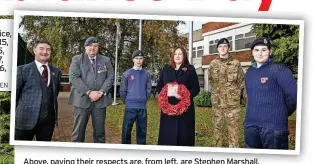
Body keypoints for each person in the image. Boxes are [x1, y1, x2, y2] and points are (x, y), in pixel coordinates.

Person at [244, 37, 297, 149]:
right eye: (256, 50)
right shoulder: (249, 71)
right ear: (252, 52)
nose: (260, 53)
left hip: (274, 128)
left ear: (270, 51)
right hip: (251, 126)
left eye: (264, 50)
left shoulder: (279, 70)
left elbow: (294, 97)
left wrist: (281, 111)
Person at [69, 37, 114, 143]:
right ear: (85, 47)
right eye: (90, 46)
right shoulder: (77, 59)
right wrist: (89, 92)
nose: (92, 48)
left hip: (100, 101)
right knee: (78, 135)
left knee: (100, 134)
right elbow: (74, 77)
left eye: (95, 46)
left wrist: (101, 92)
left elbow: (110, 76)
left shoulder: (105, 60)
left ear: (98, 47)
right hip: (81, 101)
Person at [15, 41, 61, 141]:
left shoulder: (56, 72)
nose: (45, 52)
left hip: (48, 122)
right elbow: (15, 96)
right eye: (41, 48)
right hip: (25, 121)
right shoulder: (22, 70)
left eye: (48, 49)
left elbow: (54, 93)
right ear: (34, 50)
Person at [156, 46, 200, 146]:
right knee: (168, 135)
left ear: (184, 56)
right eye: (175, 54)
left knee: (184, 136)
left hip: (185, 111)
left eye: (180, 54)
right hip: (168, 110)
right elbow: (159, 87)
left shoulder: (190, 69)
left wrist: (185, 96)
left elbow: (196, 88)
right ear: (172, 56)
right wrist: (167, 92)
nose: (177, 56)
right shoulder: (166, 69)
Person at [208, 38, 245, 148]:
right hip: (217, 104)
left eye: (225, 46)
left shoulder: (236, 63)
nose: (223, 48)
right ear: (217, 49)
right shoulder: (213, 64)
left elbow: (241, 82)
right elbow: (211, 81)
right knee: (217, 132)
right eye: (220, 46)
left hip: (232, 105)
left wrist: (234, 94)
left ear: (229, 48)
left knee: (233, 133)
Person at [119, 50, 152, 145]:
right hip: (130, 107)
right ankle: (126, 151)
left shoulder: (147, 74)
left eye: (141, 58)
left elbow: (148, 89)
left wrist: (143, 99)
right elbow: (123, 90)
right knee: (126, 131)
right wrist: (127, 101)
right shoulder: (127, 74)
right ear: (133, 59)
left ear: (143, 60)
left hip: (142, 108)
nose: (139, 60)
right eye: (136, 58)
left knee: (142, 132)